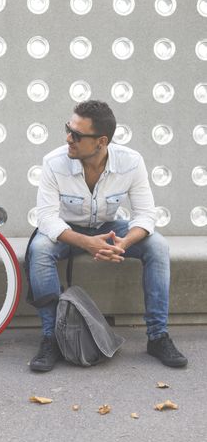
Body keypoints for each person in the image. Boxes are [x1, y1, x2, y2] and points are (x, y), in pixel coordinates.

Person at [27, 100, 187, 372]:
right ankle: (51, 337)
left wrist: (125, 243)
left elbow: (146, 214)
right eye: (68, 128)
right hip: (68, 230)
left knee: (158, 246)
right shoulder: (54, 162)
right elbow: (46, 219)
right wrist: (87, 243)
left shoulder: (131, 162)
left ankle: (158, 336)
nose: (68, 138)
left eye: (76, 135)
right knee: (40, 250)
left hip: (110, 228)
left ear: (101, 141)